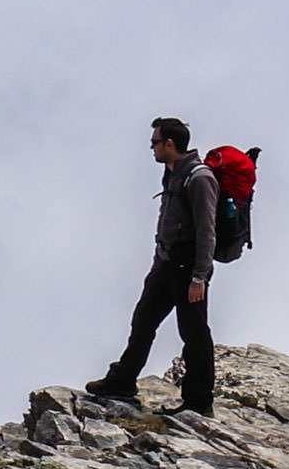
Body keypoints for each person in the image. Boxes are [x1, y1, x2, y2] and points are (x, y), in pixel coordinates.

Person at [85, 116, 216, 415]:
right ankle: (122, 381)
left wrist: (199, 278)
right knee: (143, 321)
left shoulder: (199, 178)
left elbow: (207, 232)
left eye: (155, 142)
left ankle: (198, 403)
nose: (152, 148)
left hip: (188, 271)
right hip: (166, 265)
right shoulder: (172, 173)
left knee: (194, 334)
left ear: (170, 144)